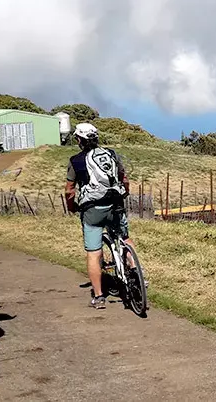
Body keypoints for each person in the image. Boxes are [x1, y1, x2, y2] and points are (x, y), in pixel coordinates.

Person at [64, 122, 135, 310]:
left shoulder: (75, 161)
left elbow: (69, 190)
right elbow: (124, 178)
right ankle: (137, 273)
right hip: (115, 203)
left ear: (79, 139)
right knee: (125, 238)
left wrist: (72, 207)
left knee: (94, 253)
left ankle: (99, 297)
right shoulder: (111, 153)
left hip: (92, 209)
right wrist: (124, 194)